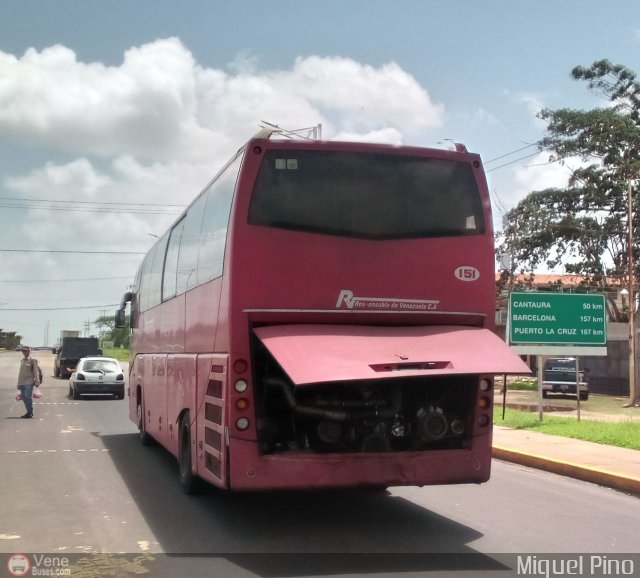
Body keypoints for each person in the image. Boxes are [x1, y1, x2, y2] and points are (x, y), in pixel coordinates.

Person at [17, 345, 40, 419]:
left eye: (25, 351)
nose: (24, 352)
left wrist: (37, 381)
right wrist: (18, 383)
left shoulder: (33, 360)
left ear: (29, 351)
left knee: (28, 397)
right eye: (23, 351)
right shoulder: (22, 360)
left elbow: (36, 371)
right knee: (23, 398)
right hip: (22, 382)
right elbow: (20, 373)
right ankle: (28, 411)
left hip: (29, 382)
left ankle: (30, 412)